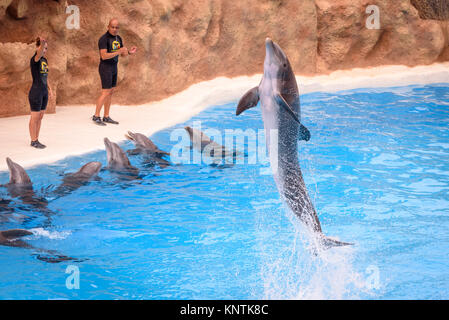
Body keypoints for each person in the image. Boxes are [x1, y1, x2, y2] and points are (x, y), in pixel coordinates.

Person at [93, 18, 137, 126]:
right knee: (105, 92)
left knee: (111, 92)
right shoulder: (104, 39)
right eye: (112, 27)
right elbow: (103, 56)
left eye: (116, 27)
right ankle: (96, 116)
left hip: (114, 67)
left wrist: (129, 52)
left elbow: (122, 54)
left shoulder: (118, 38)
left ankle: (106, 116)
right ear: (108, 27)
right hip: (105, 67)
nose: (114, 29)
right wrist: (118, 51)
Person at [28, 37, 53, 149]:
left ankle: (37, 138)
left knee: (40, 116)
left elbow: (45, 76)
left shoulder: (44, 60)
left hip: (44, 92)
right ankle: (33, 141)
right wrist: (42, 44)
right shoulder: (35, 59)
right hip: (36, 92)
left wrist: (50, 89)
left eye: (46, 48)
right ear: (38, 47)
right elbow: (39, 52)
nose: (44, 50)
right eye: (43, 48)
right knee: (35, 117)